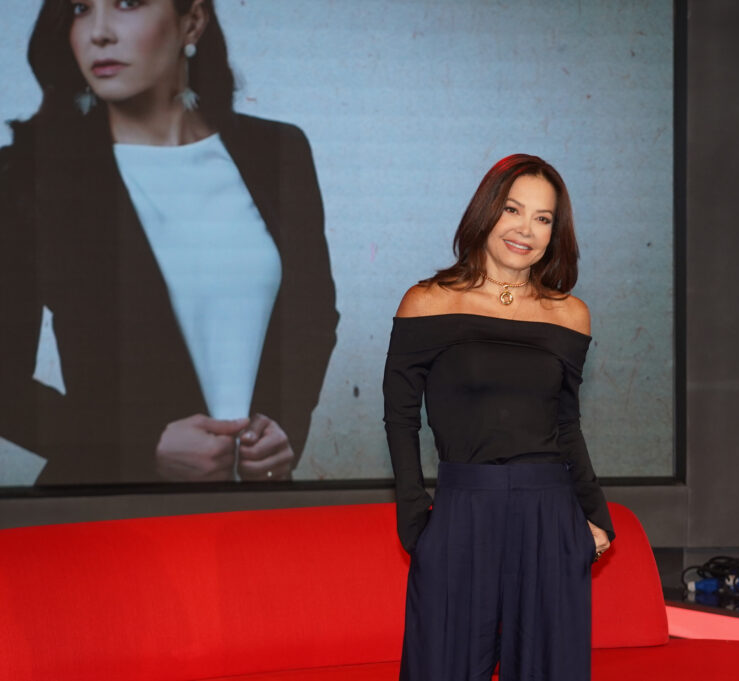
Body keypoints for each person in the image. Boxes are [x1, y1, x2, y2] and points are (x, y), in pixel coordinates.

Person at [0, 0, 338, 485]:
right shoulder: (30, 176)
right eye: (79, 8)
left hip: (256, 504)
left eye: (126, 3)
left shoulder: (278, 151)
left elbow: (313, 316)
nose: (98, 32)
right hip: (111, 511)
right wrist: (141, 447)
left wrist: (283, 426)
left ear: (192, 21)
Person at [383, 154, 614, 681]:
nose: (525, 229)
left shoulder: (570, 314)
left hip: (549, 515)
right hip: (462, 513)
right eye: (513, 209)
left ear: (555, 233)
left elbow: (566, 425)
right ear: (486, 212)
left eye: (542, 218)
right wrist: (415, 520)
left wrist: (596, 517)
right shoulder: (427, 302)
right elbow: (400, 418)